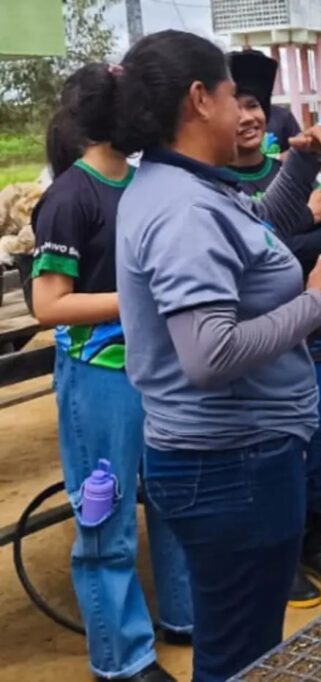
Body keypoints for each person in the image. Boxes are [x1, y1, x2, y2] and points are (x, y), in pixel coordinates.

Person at [113, 30, 321, 681]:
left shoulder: (183, 185)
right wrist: (318, 302)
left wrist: (300, 165)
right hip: (231, 466)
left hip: (226, 461)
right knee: (239, 656)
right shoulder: (183, 210)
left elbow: (255, 237)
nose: (247, 113)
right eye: (233, 96)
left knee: (238, 640)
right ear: (200, 99)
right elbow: (209, 354)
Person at [29, 63, 192, 682]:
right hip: (100, 376)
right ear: (114, 116)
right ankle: (122, 659)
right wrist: (139, 299)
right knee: (107, 515)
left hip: (158, 368)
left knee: (173, 496)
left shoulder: (145, 182)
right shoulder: (70, 197)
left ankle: (184, 616)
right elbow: (48, 305)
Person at [226, 50, 321, 610]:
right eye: (235, 105)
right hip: (256, 347)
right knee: (271, 460)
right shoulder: (215, 187)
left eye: (254, 105)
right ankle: (279, 557)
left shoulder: (292, 170)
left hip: (315, 336)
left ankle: (314, 538)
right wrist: (308, 232)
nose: (246, 117)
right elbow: (275, 248)